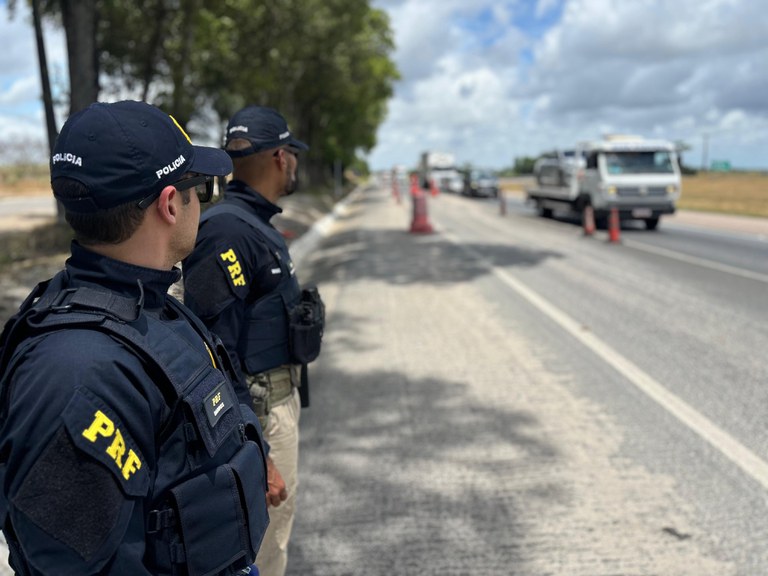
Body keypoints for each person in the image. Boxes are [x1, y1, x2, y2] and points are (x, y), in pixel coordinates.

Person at [0, 100, 283, 575]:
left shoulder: (148, 305)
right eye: (199, 188)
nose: (203, 204)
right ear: (170, 204)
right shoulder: (76, 371)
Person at [183, 105, 324, 576]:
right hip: (260, 418)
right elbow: (211, 353)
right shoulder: (228, 230)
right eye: (293, 154)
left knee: (271, 545)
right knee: (264, 550)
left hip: (271, 409)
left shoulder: (252, 225)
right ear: (282, 157)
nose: (295, 163)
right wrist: (256, 453)